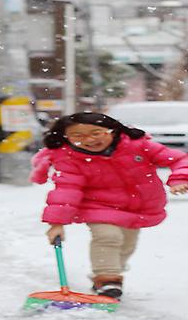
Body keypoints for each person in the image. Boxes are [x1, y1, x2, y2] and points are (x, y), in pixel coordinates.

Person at [30, 111, 188, 299]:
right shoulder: (69, 158)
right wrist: (56, 223)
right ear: (67, 138)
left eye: (96, 133)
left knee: (126, 245)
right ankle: (107, 280)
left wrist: (179, 178)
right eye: (78, 136)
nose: (88, 140)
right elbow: (66, 190)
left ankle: (109, 272)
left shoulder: (138, 146)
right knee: (108, 236)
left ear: (112, 131)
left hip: (137, 207)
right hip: (97, 206)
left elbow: (179, 159)